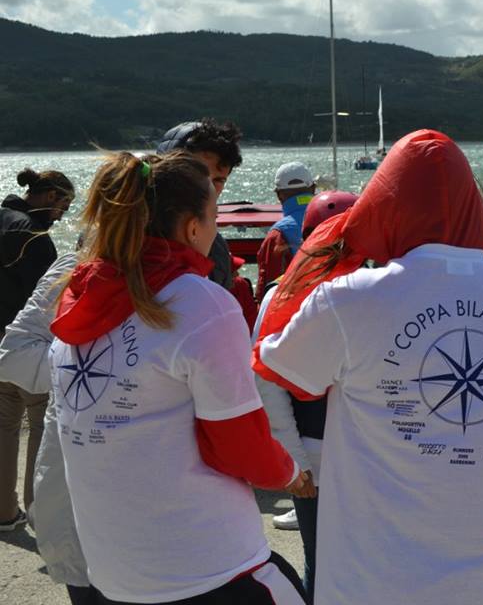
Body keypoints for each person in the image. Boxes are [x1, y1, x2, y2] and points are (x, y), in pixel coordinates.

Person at [253, 129, 483, 604]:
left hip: (373, 584)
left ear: (381, 206)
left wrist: (332, 248)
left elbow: (269, 359)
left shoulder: (349, 301)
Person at [48, 151, 309, 604]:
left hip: (116, 574)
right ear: (192, 227)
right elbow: (237, 444)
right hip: (207, 566)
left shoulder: (78, 298)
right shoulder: (200, 303)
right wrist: (291, 473)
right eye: (213, 218)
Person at [256, 190, 357, 602]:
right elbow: (266, 379)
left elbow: (265, 380)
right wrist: (295, 460)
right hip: (329, 454)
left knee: (333, 561)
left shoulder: (281, 293)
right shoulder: (372, 289)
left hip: (335, 453)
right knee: (333, 561)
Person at [0, 252, 94, 604]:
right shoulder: (57, 254)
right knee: (36, 428)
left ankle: (14, 512)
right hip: (46, 354)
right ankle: (30, 509)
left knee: (8, 430)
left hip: (29, 348)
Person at [1, 167, 74, 532]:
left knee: (3, 426)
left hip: (4, 344)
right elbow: (51, 298)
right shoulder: (35, 237)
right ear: (49, 197)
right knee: (40, 426)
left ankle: (2, 512)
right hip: (30, 343)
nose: (63, 215)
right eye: (64, 205)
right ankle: (37, 511)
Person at [156, 118, 243, 289]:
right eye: (198, 176)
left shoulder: (217, 249)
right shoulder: (126, 240)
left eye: (218, 180)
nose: (208, 188)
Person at [255, 162, 317, 301]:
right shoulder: (334, 222)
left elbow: (267, 290)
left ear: (279, 195)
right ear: (313, 189)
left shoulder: (277, 236)